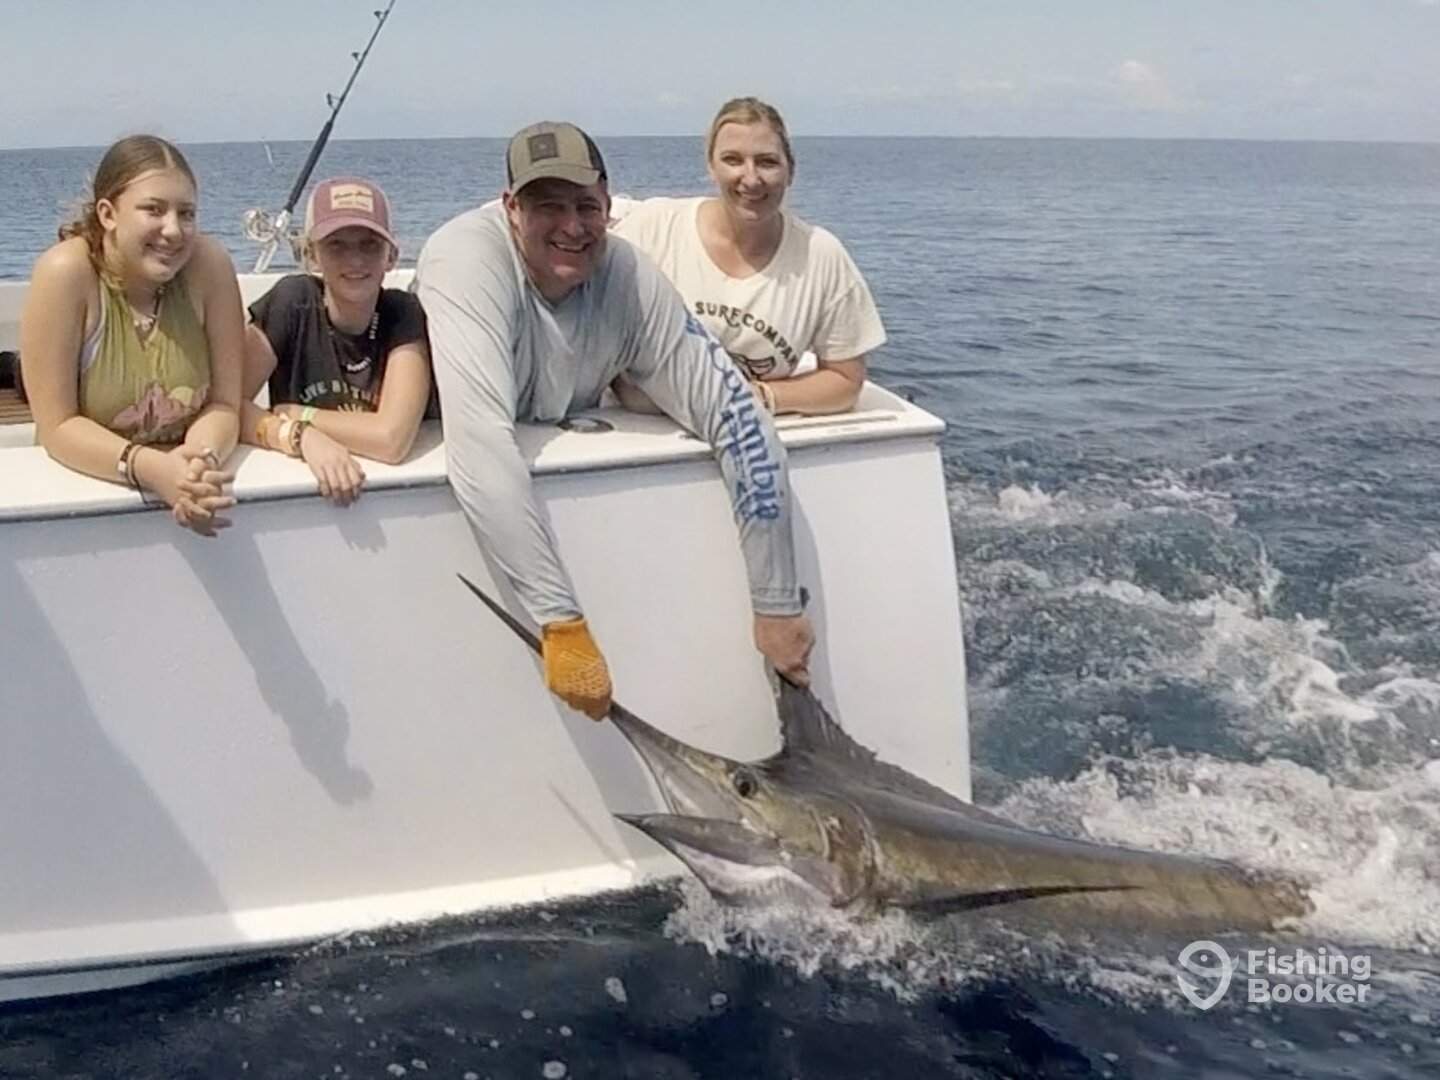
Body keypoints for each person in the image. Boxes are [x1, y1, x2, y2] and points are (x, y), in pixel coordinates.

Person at [413, 120, 814, 721]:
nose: (572, 227)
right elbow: (480, 448)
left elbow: (737, 415)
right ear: (510, 208)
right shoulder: (466, 257)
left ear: (607, 202)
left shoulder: (626, 273)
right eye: (548, 206)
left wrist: (777, 601)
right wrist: (560, 622)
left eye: (585, 205)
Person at [19, 134, 243, 535]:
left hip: (182, 487)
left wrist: (198, 464)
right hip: (85, 505)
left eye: (186, 213)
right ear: (108, 214)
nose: (173, 230)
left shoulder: (210, 266)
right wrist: (152, 470)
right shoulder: (65, 274)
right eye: (153, 209)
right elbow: (57, 426)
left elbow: (226, 403)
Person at [611, 97, 886, 417]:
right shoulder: (652, 228)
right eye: (733, 160)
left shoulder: (822, 255)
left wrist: (756, 397)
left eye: (767, 162)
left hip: (751, 435)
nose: (751, 178)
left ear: (791, 170)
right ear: (711, 167)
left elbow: (845, 381)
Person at [240, 177, 434, 504]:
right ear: (310, 255)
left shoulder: (403, 313)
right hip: (300, 494)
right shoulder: (292, 302)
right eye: (336, 245)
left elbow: (391, 439)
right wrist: (300, 436)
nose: (355, 260)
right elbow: (225, 405)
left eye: (369, 245)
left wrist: (298, 413)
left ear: (391, 256)